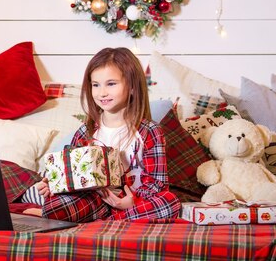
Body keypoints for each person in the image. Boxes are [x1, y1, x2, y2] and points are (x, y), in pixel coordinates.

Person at [21, 47, 180, 222]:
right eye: (95, 85)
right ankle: (52, 208)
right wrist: (54, 184)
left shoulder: (149, 131)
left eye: (111, 84)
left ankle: (112, 217)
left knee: (169, 202)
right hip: (94, 200)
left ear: (133, 87)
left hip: (133, 202)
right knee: (56, 198)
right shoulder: (86, 132)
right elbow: (70, 173)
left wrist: (129, 202)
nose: (102, 92)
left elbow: (157, 182)